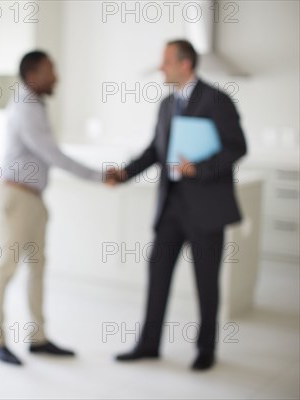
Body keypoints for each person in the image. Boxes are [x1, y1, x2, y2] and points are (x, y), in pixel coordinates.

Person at [106, 39, 247, 371]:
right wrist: (124, 173)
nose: (161, 67)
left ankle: (205, 350)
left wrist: (200, 167)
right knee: (157, 276)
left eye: (166, 61)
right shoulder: (168, 104)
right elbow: (156, 150)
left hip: (206, 207)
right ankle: (148, 344)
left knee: (205, 282)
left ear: (185, 64)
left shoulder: (217, 100)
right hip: (171, 206)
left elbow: (237, 147)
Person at [0, 50, 105, 365]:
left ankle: (38, 338)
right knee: (6, 270)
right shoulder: (26, 106)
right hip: (17, 198)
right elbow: (53, 154)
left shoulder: (36, 104)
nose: (57, 77)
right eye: (51, 70)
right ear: (33, 75)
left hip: (34, 198)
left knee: (38, 269)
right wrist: (99, 176)